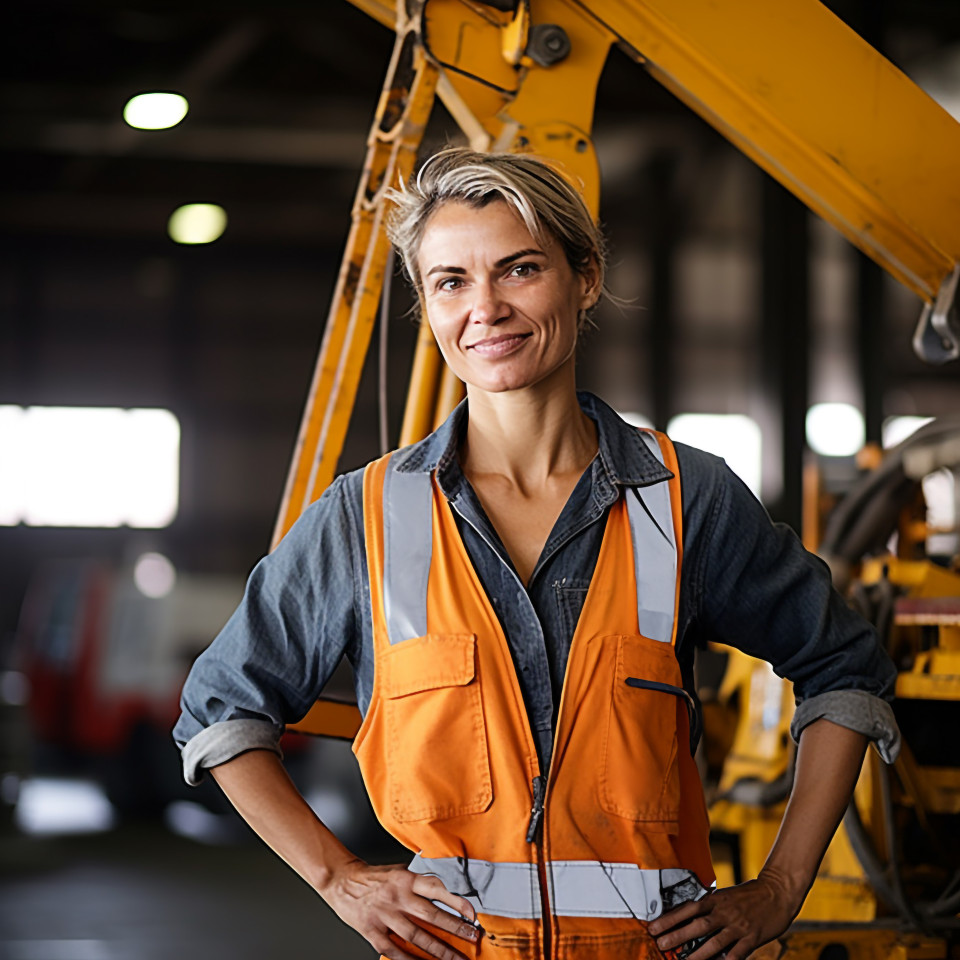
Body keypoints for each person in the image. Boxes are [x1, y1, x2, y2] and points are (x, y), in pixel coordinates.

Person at [174, 148, 900, 960]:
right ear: (428, 304)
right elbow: (220, 709)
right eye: (451, 281)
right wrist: (338, 877)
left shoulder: (682, 499)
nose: (485, 307)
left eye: (518, 269)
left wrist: (780, 889)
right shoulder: (365, 518)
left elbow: (844, 665)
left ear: (584, 277)